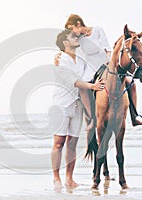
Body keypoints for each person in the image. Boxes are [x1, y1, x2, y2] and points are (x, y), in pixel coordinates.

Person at [56, 14, 142, 127]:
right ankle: (91, 121)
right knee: (84, 88)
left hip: (106, 65)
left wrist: (109, 65)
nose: (71, 32)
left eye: (71, 28)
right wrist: (59, 54)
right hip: (90, 70)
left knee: (129, 82)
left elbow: (108, 50)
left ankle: (134, 115)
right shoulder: (77, 39)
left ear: (78, 23)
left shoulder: (97, 30)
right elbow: (68, 49)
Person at [51, 29, 105, 190]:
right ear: (65, 43)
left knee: (72, 143)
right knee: (59, 142)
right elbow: (73, 80)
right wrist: (91, 86)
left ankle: (69, 178)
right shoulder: (60, 60)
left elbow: (93, 70)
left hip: (77, 105)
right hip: (62, 105)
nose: (77, 38)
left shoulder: (81, 60)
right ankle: (56, 178)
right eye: (73, 37)